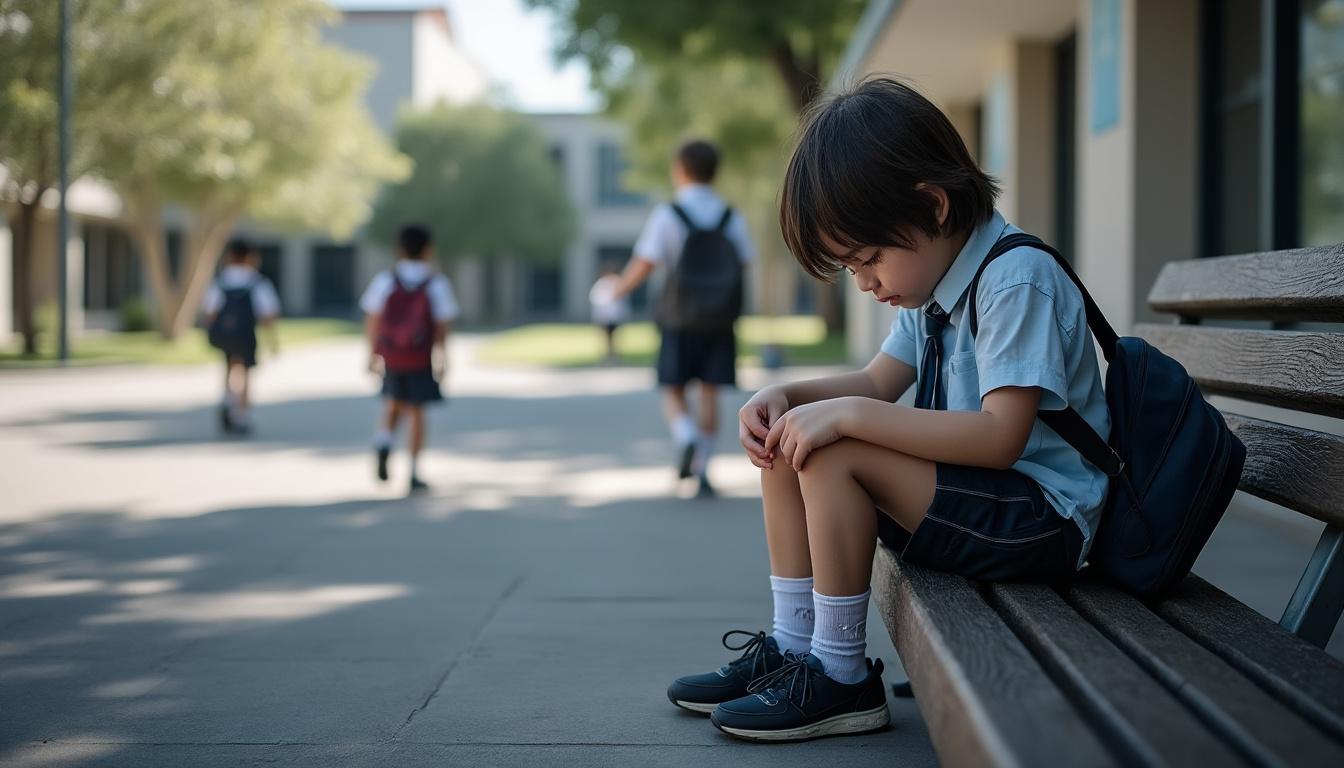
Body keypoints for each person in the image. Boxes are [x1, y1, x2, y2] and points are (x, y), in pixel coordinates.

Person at [667, 77, 1110, 743]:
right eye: (850, 268)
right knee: (790, 440)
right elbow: (876, 382)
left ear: (933, 205)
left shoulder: (1015, 280)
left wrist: (844, 419)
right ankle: (794, 644)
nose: (866, 283)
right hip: (986, 503)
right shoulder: (935, 283)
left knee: (834, 451)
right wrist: (787, 398)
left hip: (1045, 522)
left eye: (870, 259)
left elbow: (1000, 438)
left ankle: (841, 673)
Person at [605, 139, 755, 498]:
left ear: (680, 170)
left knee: (672, 386)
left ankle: (685, 434)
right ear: (715, 171)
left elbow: (646, 261)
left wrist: (618, 290)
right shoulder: (730, 216)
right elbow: (744, 261)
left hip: (679, 316)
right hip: (719, 318)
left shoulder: (669, 214)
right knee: (709, 391)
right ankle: (703, 467)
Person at [360, 224, 460, 494]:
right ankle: (414, 470)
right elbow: (442, 325)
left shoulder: (385, 280)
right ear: (428, 250)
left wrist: (371, 353)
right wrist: (443, 356)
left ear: (399, 250)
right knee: (417, 410)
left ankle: (383, 441)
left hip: (392, 354)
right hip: (420, 356)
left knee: (393, 402)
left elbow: (373, 319)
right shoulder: (436, 283)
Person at [202, 240, 280, 435]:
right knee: (245, 372)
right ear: (250, 258)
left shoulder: (221, 281)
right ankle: (242, 415)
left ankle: (227, 399)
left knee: (229, 366)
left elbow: (209, 312)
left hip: (225, 334)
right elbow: (268, 314)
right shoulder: (257, 282)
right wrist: (272, 340)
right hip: (246, 333)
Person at [588, 264, 629, 363]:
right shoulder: (603, 283)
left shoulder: (616, 282)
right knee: (606, 335)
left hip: (614, 315)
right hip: (605, 315)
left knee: (615, 335)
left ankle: (614, 353)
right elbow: (595, 298)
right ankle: (609, 352)